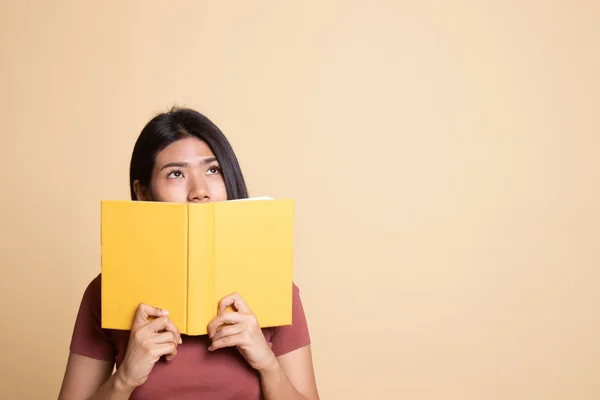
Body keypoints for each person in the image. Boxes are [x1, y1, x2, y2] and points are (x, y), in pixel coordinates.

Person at [58, 107, 319, 400]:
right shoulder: (105, 292)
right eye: (176, 173)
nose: (200, 191)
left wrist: (268, 365)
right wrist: (126, 378)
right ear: (143, 192)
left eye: (212, 169)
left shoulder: (277, 290)